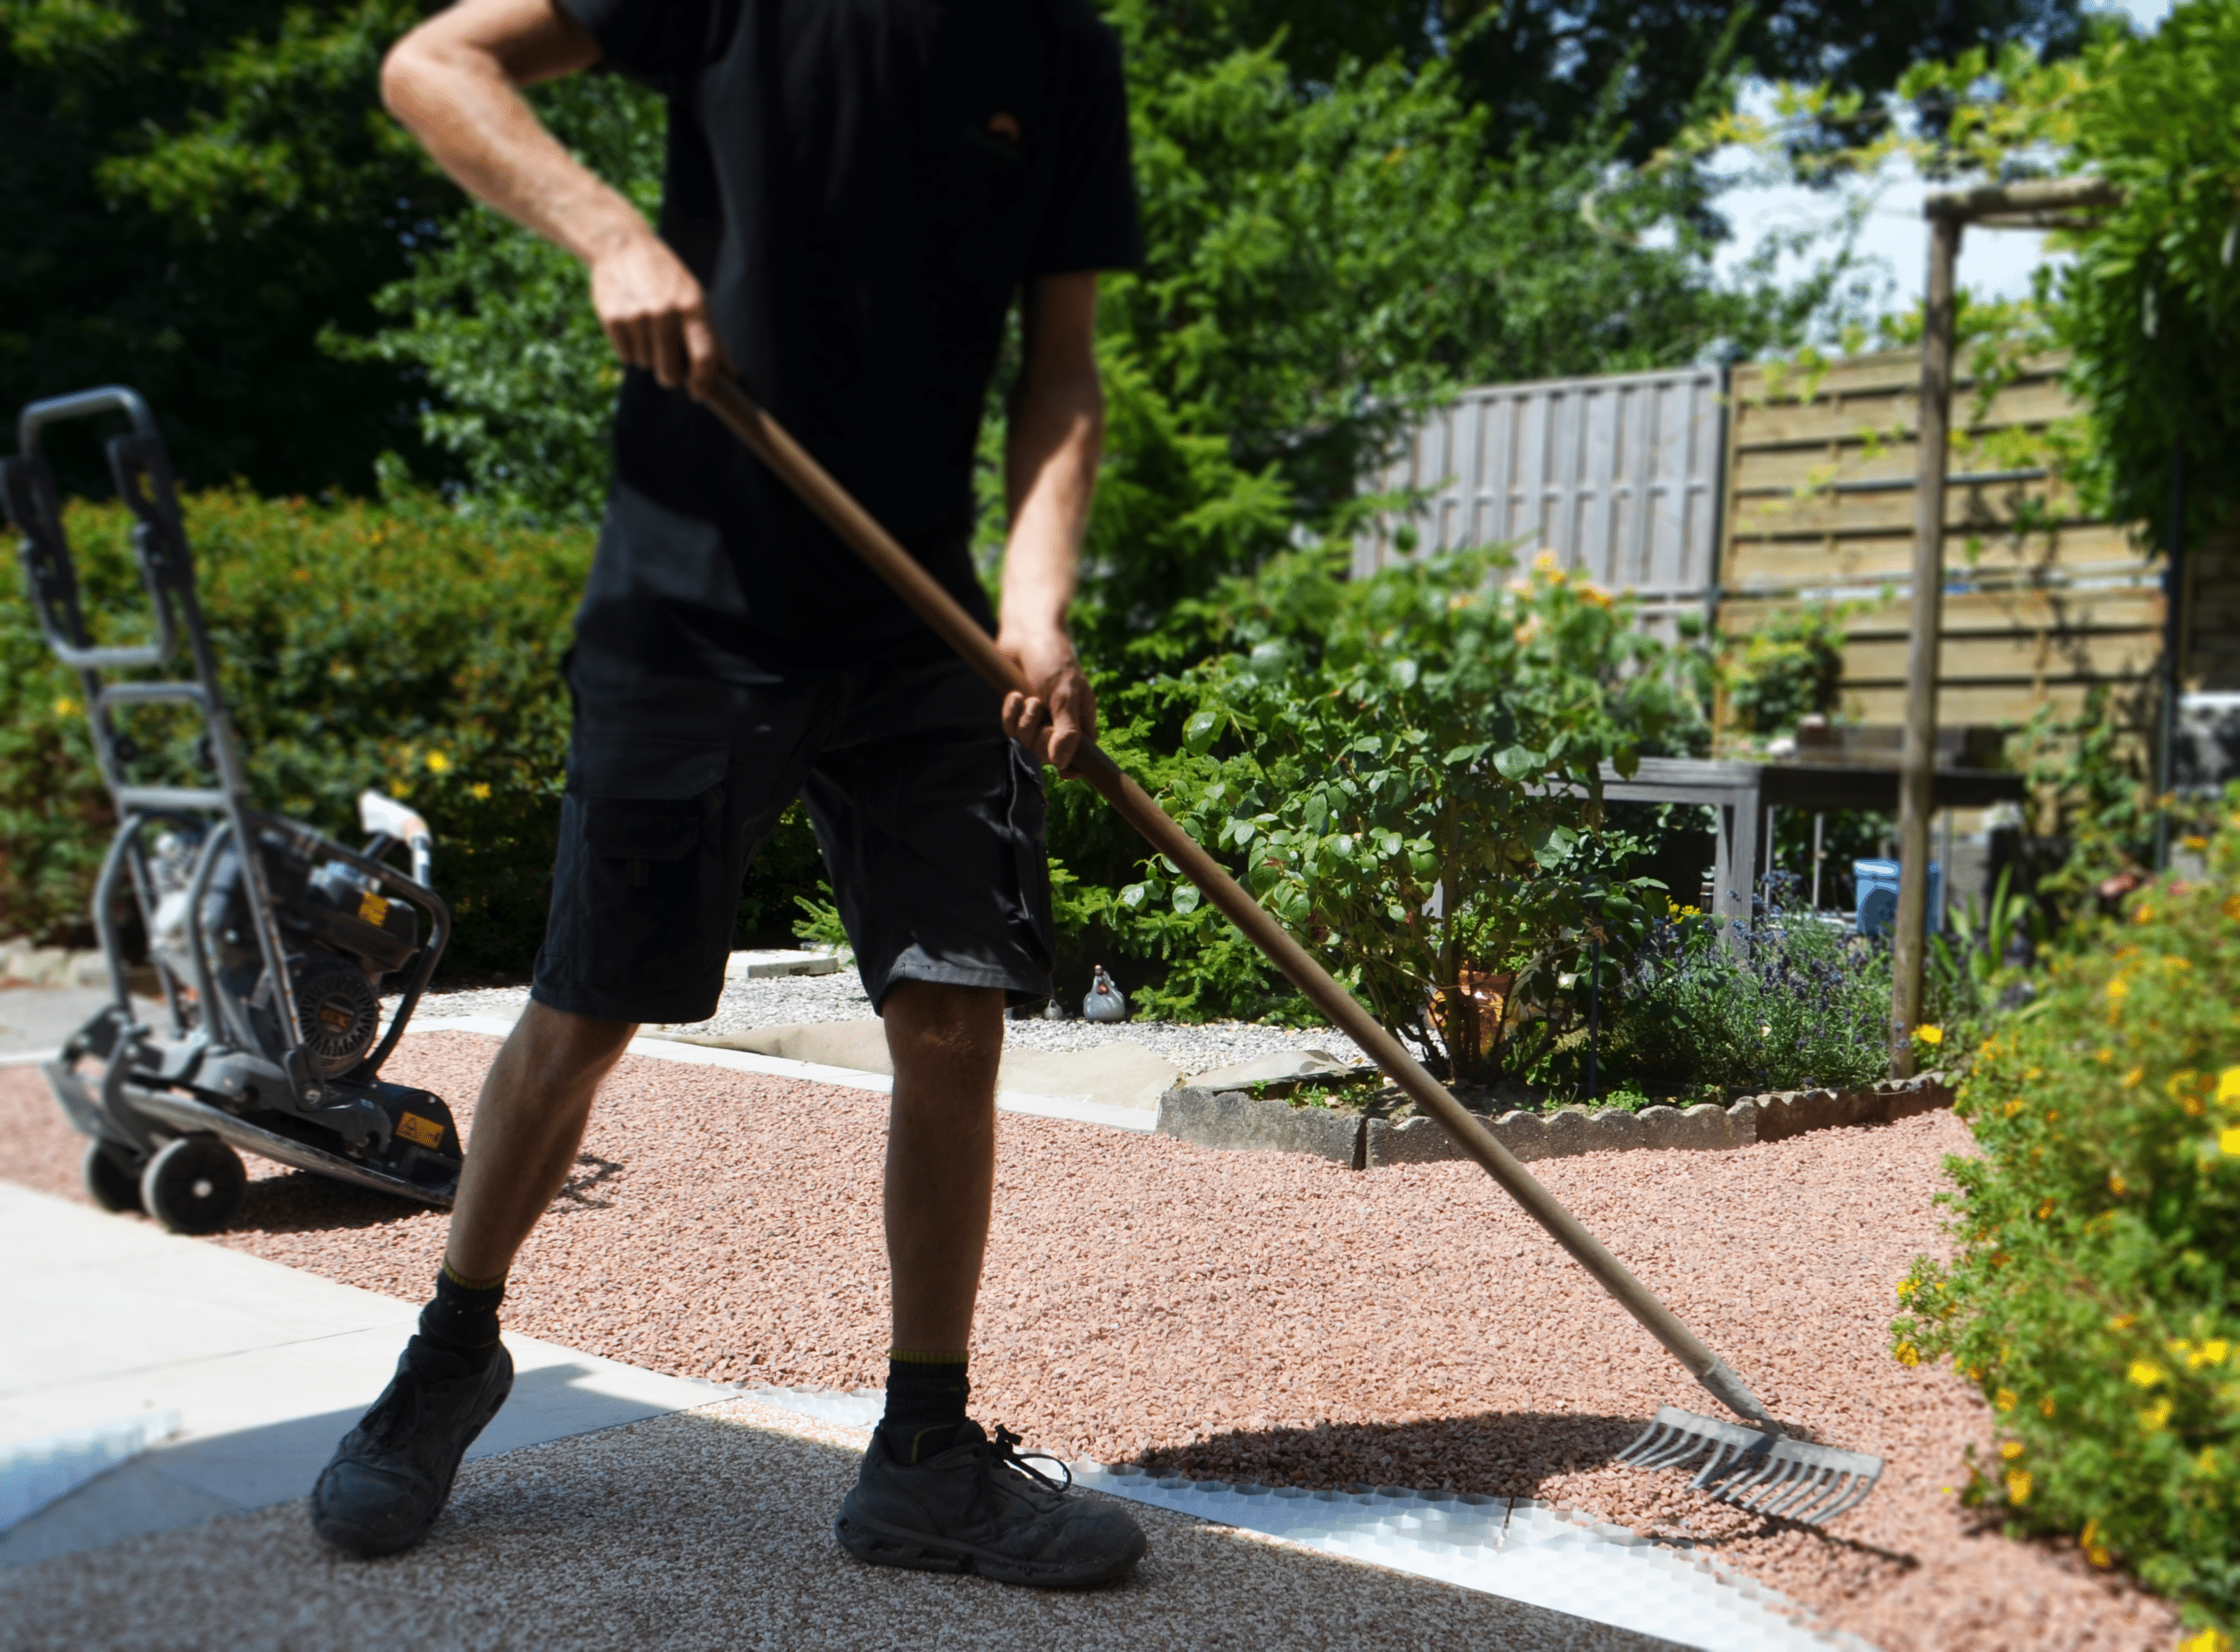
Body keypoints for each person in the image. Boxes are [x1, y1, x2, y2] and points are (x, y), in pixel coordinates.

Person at [312, 0, 1148, 1587]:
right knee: (586, 1008)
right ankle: (454, 1348)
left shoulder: (1056, 49)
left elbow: (1064, 371)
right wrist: (611, 231)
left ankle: (924, 1458)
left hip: (922, 626)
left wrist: (1036, 606)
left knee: (956, 1010)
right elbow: (435, 61)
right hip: (690, 606)